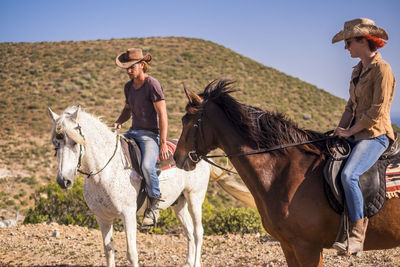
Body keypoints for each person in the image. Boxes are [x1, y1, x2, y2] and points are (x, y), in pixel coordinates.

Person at [331, 18, 396, 255]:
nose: (346, 47)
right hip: (356, 133)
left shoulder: (383, 70)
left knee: (349, 175)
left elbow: (377, 111)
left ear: (363, 40)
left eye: (348, 42)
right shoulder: (358, 70)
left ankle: (357, 236)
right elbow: (351, 107)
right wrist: (338, 132)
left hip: (375, 135)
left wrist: (349, 132)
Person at [113, 48, 169, 226]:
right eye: (126, 68)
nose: (128, 71)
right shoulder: (128, 87)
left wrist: (163, 143)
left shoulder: (152, 84)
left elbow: (162, 115)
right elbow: (128, 109)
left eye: (132, 67)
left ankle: (155, 201)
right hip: (132, 132)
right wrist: (119, 121)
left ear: (142, 65)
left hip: (150, 135)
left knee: (146, 166)